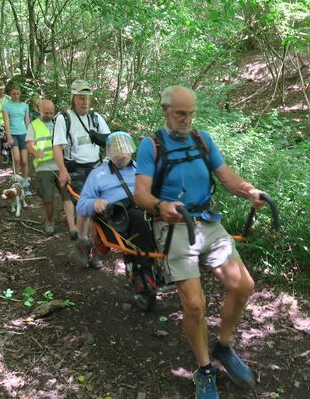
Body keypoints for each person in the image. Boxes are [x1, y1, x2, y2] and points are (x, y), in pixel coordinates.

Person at [134, 86, 267, 399]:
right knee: (194, 304)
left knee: (243, 285)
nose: (187, 119)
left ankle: (223, 347)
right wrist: (159, 206)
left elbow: (226, 177)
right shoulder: (149, 146)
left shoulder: (203, 140)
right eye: (181, 113)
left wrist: (250, 191)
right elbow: (140, 193)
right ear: (165, 110)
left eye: (191, 113)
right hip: (175, 227)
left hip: (207, 222)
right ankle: (204, 369)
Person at [76, 131, 157, 274]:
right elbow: (81, 205)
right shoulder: (97, 175)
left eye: (124, 146)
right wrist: (95, 203)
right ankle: (143, 272)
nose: (122, 150)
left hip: (146, 213)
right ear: (108, 151)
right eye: (116, 147)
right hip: (116, 219)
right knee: (140, 218)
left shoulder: (141, 169)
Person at [53, 79, 111, 267]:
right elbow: (57, 147)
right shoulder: (64, 118)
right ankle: (81, 246)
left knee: (99, 211)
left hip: (96, 169)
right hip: (75, 170)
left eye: (86, 98)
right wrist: (62, 170)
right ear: (73, 99)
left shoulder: (96, 118)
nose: (84, 102)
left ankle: (93, 250)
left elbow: (110, 142)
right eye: (80, 98)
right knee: (85, 209)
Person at [25, 99, 76, 237]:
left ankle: (72, 226)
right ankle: (49, 221)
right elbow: (29, 145)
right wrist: (35, 152)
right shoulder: (34, 125)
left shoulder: (58, 122)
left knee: (67, 195)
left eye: (51, 112)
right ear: (39, 110)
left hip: (61, 166)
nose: (49, 115)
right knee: (48, 198)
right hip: (43, 167)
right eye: (46, 112)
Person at [3, 85, 32, 194]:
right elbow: (6, 121)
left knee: (24, 161)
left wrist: (29, 136)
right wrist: (9, 136)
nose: (16, 96)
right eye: (13, 94)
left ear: (20, 94)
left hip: (23, 134)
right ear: (10, 94)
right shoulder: (6, 106)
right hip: (13, 135)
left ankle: (25, 185)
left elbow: (27, 121)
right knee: (16, 159)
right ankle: (17, 185)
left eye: (18, 94)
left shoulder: (25, 106)